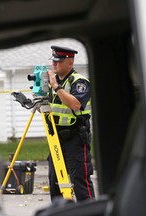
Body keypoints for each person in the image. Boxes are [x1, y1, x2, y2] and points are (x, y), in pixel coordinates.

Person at [47, 45, 95, 202]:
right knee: (55, 182)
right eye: (53, 61)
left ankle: (89, 212)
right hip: (56, 137)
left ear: (70, 62)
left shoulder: (79, 82)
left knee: (80, 180)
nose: (54, 64)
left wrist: (56, 87)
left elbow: (75, 105)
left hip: (75, 137)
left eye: (58, 61)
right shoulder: (51, 84)